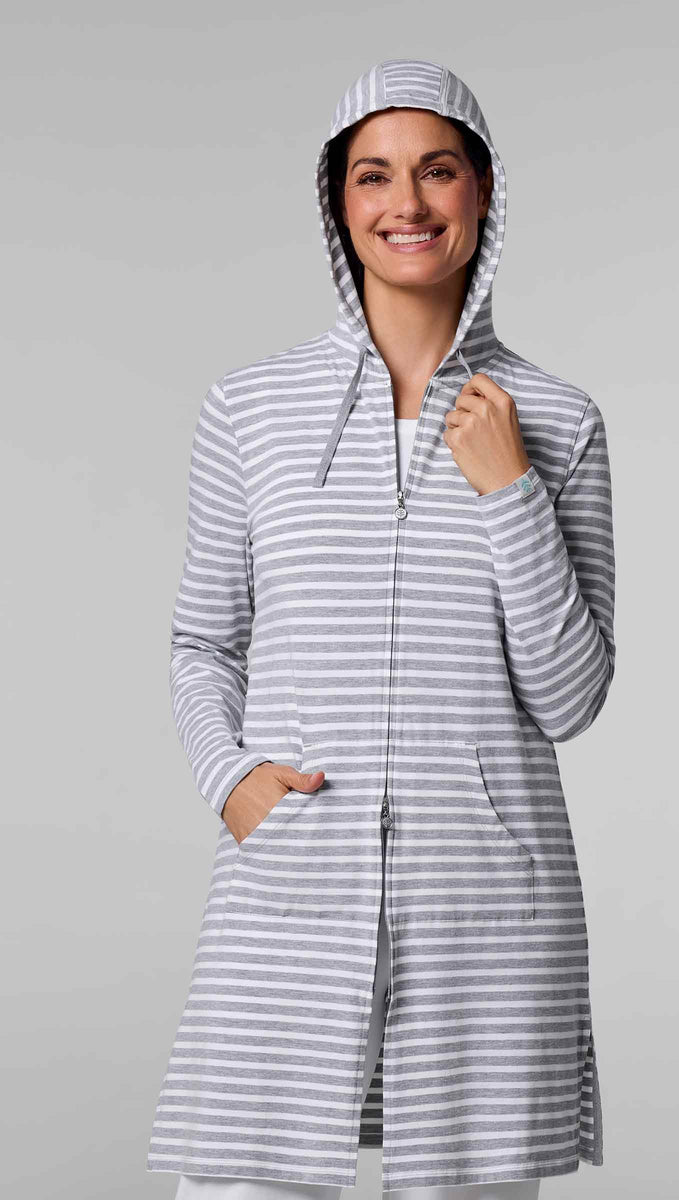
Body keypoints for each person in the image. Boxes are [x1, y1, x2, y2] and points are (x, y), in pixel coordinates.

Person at [147, 57, 616, 1198]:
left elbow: (570, 698)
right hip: (291, 879)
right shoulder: (250, 410)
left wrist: (509, 491)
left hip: (485, 905)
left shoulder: (558, 421)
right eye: (373, 175)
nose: (406, 203)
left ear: (482, 191)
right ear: (337, 202)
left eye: (436, 171)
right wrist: (232, 782)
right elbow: (202, 643)